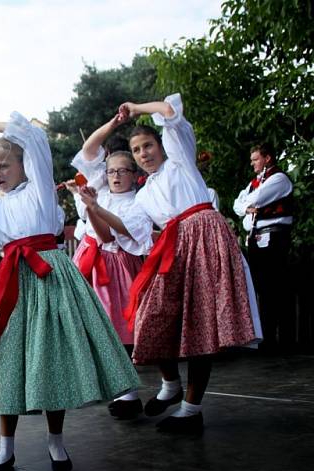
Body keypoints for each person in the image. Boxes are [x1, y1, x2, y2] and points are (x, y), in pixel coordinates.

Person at [0, 112, 139, 471]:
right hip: (13, 282)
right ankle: (6, 447)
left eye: (4, 164)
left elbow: (37, 140)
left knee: (53, 359)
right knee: (8, 360)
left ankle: (56, 440)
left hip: (51, 276)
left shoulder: (39, 188)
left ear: (23, 164)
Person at [79, 94, 261, 434]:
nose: (143, 154)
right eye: (136, 150)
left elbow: (169, 111)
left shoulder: (180, 163)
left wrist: (135, 109)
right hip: (175, 247)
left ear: (160, 146)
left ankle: (191, 410)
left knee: (202, 327)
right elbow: (125, 230)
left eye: (147, 145)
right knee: (150, 314)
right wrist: (94, 207)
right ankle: (170, 384)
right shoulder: (144, 195)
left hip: (205, 238)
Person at [69, 112, 153, 420]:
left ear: (134, 175)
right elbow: (90, 149)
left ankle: (129, 392)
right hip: (90, 261)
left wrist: (93, 208)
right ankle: (111, 387)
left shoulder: (137, 203)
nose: (116, 176)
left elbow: (106, 235)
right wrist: (114, 124)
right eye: (111, 171)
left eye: (123, 171)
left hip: (118, 265)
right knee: (96, 328)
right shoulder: (100, 189)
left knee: (120, 328)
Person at [233, 143, 294, 353]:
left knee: (276, 288)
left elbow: (254, 199)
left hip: (275, 238)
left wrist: (248, 205)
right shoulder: (254, 183)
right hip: (256, 240)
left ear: (267, 158)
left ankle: (284, 340)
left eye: (256, 159)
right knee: (263, 289)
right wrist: (246, 208)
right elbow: (237, 205)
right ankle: (268, 339)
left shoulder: (279, 179)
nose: (252, 163)